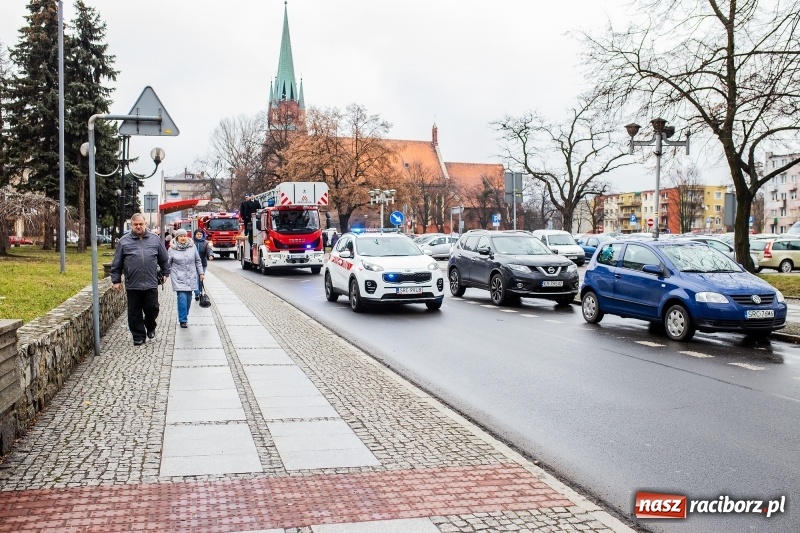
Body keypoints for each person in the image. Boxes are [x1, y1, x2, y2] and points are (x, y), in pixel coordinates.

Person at [110, 213, 170, 346]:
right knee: (134, 311)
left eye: (140, 224)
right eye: (135, 224)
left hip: (151, 282)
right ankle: (138, 336)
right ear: (131, 225)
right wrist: (116, 280)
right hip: (133, 283)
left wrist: (166, 272)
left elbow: (164, 259)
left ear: (145, 224)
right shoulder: (124, 241)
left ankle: (150, 325)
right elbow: (117, 263)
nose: (138, 226)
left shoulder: (155, 239)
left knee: (153, 308)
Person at [168, 229, 204, 328]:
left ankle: (185, 315)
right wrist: (166, 274)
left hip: (191, 276)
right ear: (177, 238)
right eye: (181, 236)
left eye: (184, 236)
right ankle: (183, 320)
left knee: (188, 299)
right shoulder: (172, 249)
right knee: (182, 298)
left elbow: (198, 261)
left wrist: (201, 273)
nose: (183, 238)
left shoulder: (192, 247)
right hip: (178, 277)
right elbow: (168, 263)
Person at [192, 228, 214, 301]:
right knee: (195, 278)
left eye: (200, 234)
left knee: (200, 279)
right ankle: (196, 293)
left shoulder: (206, 243)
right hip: (193, 264)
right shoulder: (191, 242)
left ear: (203, 235)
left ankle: (200, 292)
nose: (199, 235)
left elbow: (209, 250)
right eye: (197, 234)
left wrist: (210, 255)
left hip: (202, 264)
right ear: (195, 235)